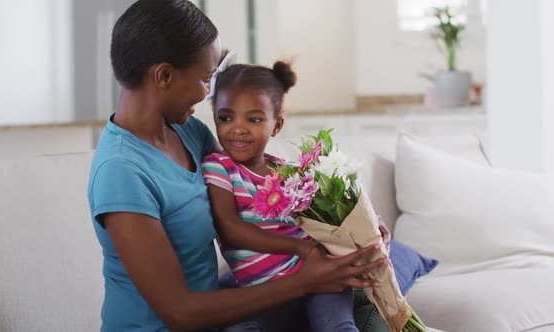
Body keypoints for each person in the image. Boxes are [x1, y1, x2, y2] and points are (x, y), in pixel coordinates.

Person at [87, 0, 388, 331]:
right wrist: (305, 281)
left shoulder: (188, 132)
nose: (207, 94)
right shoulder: (121, 171)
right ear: (165, 76)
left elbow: (249, 187)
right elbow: (180, 312)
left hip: (224, 316)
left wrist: (349, 228)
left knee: (366, 280)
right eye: (205, 79)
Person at [201, 59, 362, 331]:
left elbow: (327, 220)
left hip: (322, 278)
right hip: (268, 294)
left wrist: (368, 224)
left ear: (276, 125)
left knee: (339, 327)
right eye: (226, 117)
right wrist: (299, 247)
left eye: (253, 119)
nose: (237, 128)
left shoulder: (290, 171)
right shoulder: (220, 168)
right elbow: (229, 229)